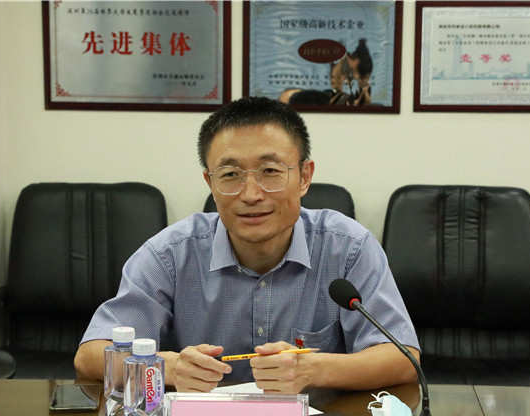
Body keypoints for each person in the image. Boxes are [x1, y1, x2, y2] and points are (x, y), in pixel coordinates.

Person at [74, 96, 420, 393]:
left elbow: (403, 358)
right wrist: (168, 368)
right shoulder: (170, 255)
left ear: (304, 177)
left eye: (270, 171)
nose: (251, 194)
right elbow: (90, 356)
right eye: (230, 175)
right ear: (210, 182)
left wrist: (312, 369)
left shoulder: (349, 249)